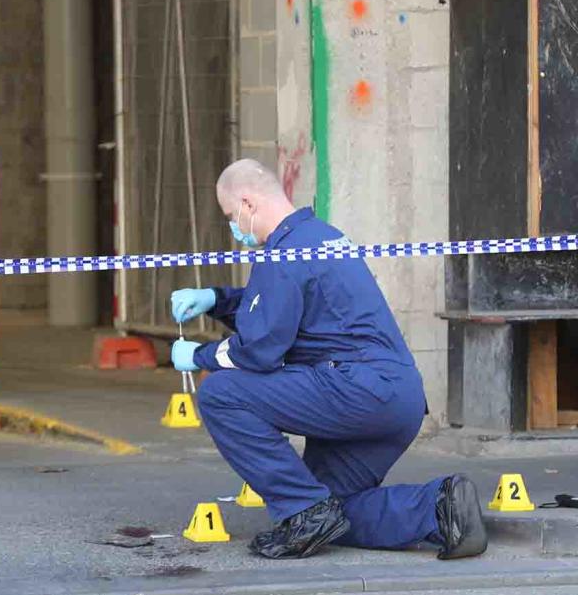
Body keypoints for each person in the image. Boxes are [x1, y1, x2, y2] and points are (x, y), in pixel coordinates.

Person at [170, 159, 487, 560]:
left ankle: (304, 512)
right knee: (336, 509)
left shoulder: (282, 254)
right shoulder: (320, 236)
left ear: (248, 204)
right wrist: (218, 300)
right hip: (396, 398)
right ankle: (440, 508)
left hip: (355, 389)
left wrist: (198, 356)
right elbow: (275, 309)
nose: (235, 228)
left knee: (221, 393)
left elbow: (260, 349)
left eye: (232, 216)